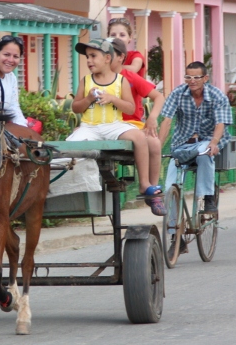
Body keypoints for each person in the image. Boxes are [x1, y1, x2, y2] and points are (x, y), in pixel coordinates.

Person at [69, 38, 166, 216]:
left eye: (93, 56)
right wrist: (89, 99)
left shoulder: (122, 80)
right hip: (90, 126)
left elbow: (131, 106)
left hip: (116, 124)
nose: (89, 60)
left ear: (110, 58)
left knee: (143, 139)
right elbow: (75, 107)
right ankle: (66, 187)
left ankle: (147, 184)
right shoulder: (86, 80)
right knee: (68, 147)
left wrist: (113, 99)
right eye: (87, 57)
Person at [158, 61, 233, 216]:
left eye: (196, 77)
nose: (192, 81)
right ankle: (174, 233)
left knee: (205, 153)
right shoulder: (177, 94)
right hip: (182, 144)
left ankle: (207, 197)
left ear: (205, 78)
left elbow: (221, 123)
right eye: (188, 77)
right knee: (169, 188)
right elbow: (166, 121)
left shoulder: (217, 95)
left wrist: (213, 143)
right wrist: (157, 147)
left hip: (207, 140)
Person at [108, 38, 165, 196]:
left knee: (154, 143)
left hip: (131, 124)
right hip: (106, 125)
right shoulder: (97, 77)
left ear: (121, 57)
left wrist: (152, 117)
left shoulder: (130, 76)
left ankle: (151, 189)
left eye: (109, 53)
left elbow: (159, 97)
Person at [0, 35, 27, 127]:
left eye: (16, 56)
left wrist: (23, 128)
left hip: (2, 128)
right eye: (6, 55)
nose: (10, 60)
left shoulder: (11, 77)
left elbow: (14, 107)